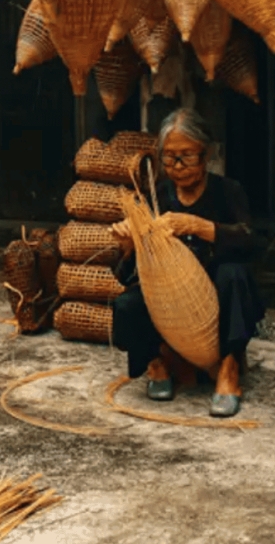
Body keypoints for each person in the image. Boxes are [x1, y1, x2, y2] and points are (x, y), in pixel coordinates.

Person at [108, 108, 265, 417]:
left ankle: (229, 369)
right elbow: (124, 274)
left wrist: (197, 226)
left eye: (187, 157)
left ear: (205, 154)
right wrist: (130, 246)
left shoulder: (227, 191)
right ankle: (157, 363)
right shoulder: (158, 195)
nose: (177, 167)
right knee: (126, 305)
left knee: (234, 275)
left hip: (213, 296)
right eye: (169, 158)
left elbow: (251, 241)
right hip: (169, 299)